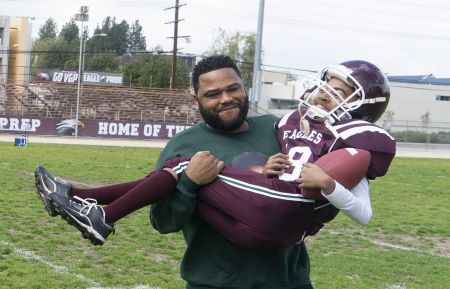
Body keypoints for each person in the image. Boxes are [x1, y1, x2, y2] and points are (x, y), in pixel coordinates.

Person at [35, 56, 395, 289]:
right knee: (180, 169)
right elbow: (163, 222)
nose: (225, 98)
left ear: (244, 89)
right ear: (197, 100)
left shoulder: (277, 127)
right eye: (213, 94)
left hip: (286, 279)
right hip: (215, 281)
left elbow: (304, 179)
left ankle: (87, 200)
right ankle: (85, 200)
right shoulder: (184, 143)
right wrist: (191, 183)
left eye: (232, 88)